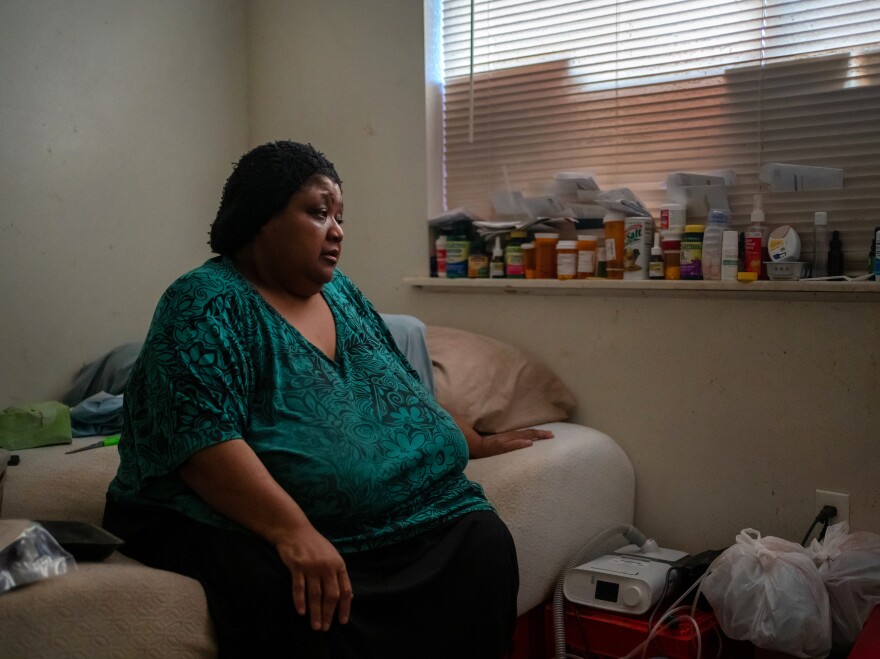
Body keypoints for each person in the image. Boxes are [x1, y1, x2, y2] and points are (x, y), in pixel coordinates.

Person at [103, 140, 553, 659]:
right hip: (233, 515)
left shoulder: (341, 293)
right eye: (319, 213)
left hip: (372, 526)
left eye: (340, 216)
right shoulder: (204, 301)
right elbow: (202, 440)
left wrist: (471, 440)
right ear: (260, 217)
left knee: (481, 540)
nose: (337, 230)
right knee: (282, 588)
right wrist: (292, 531)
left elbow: (398, 389)